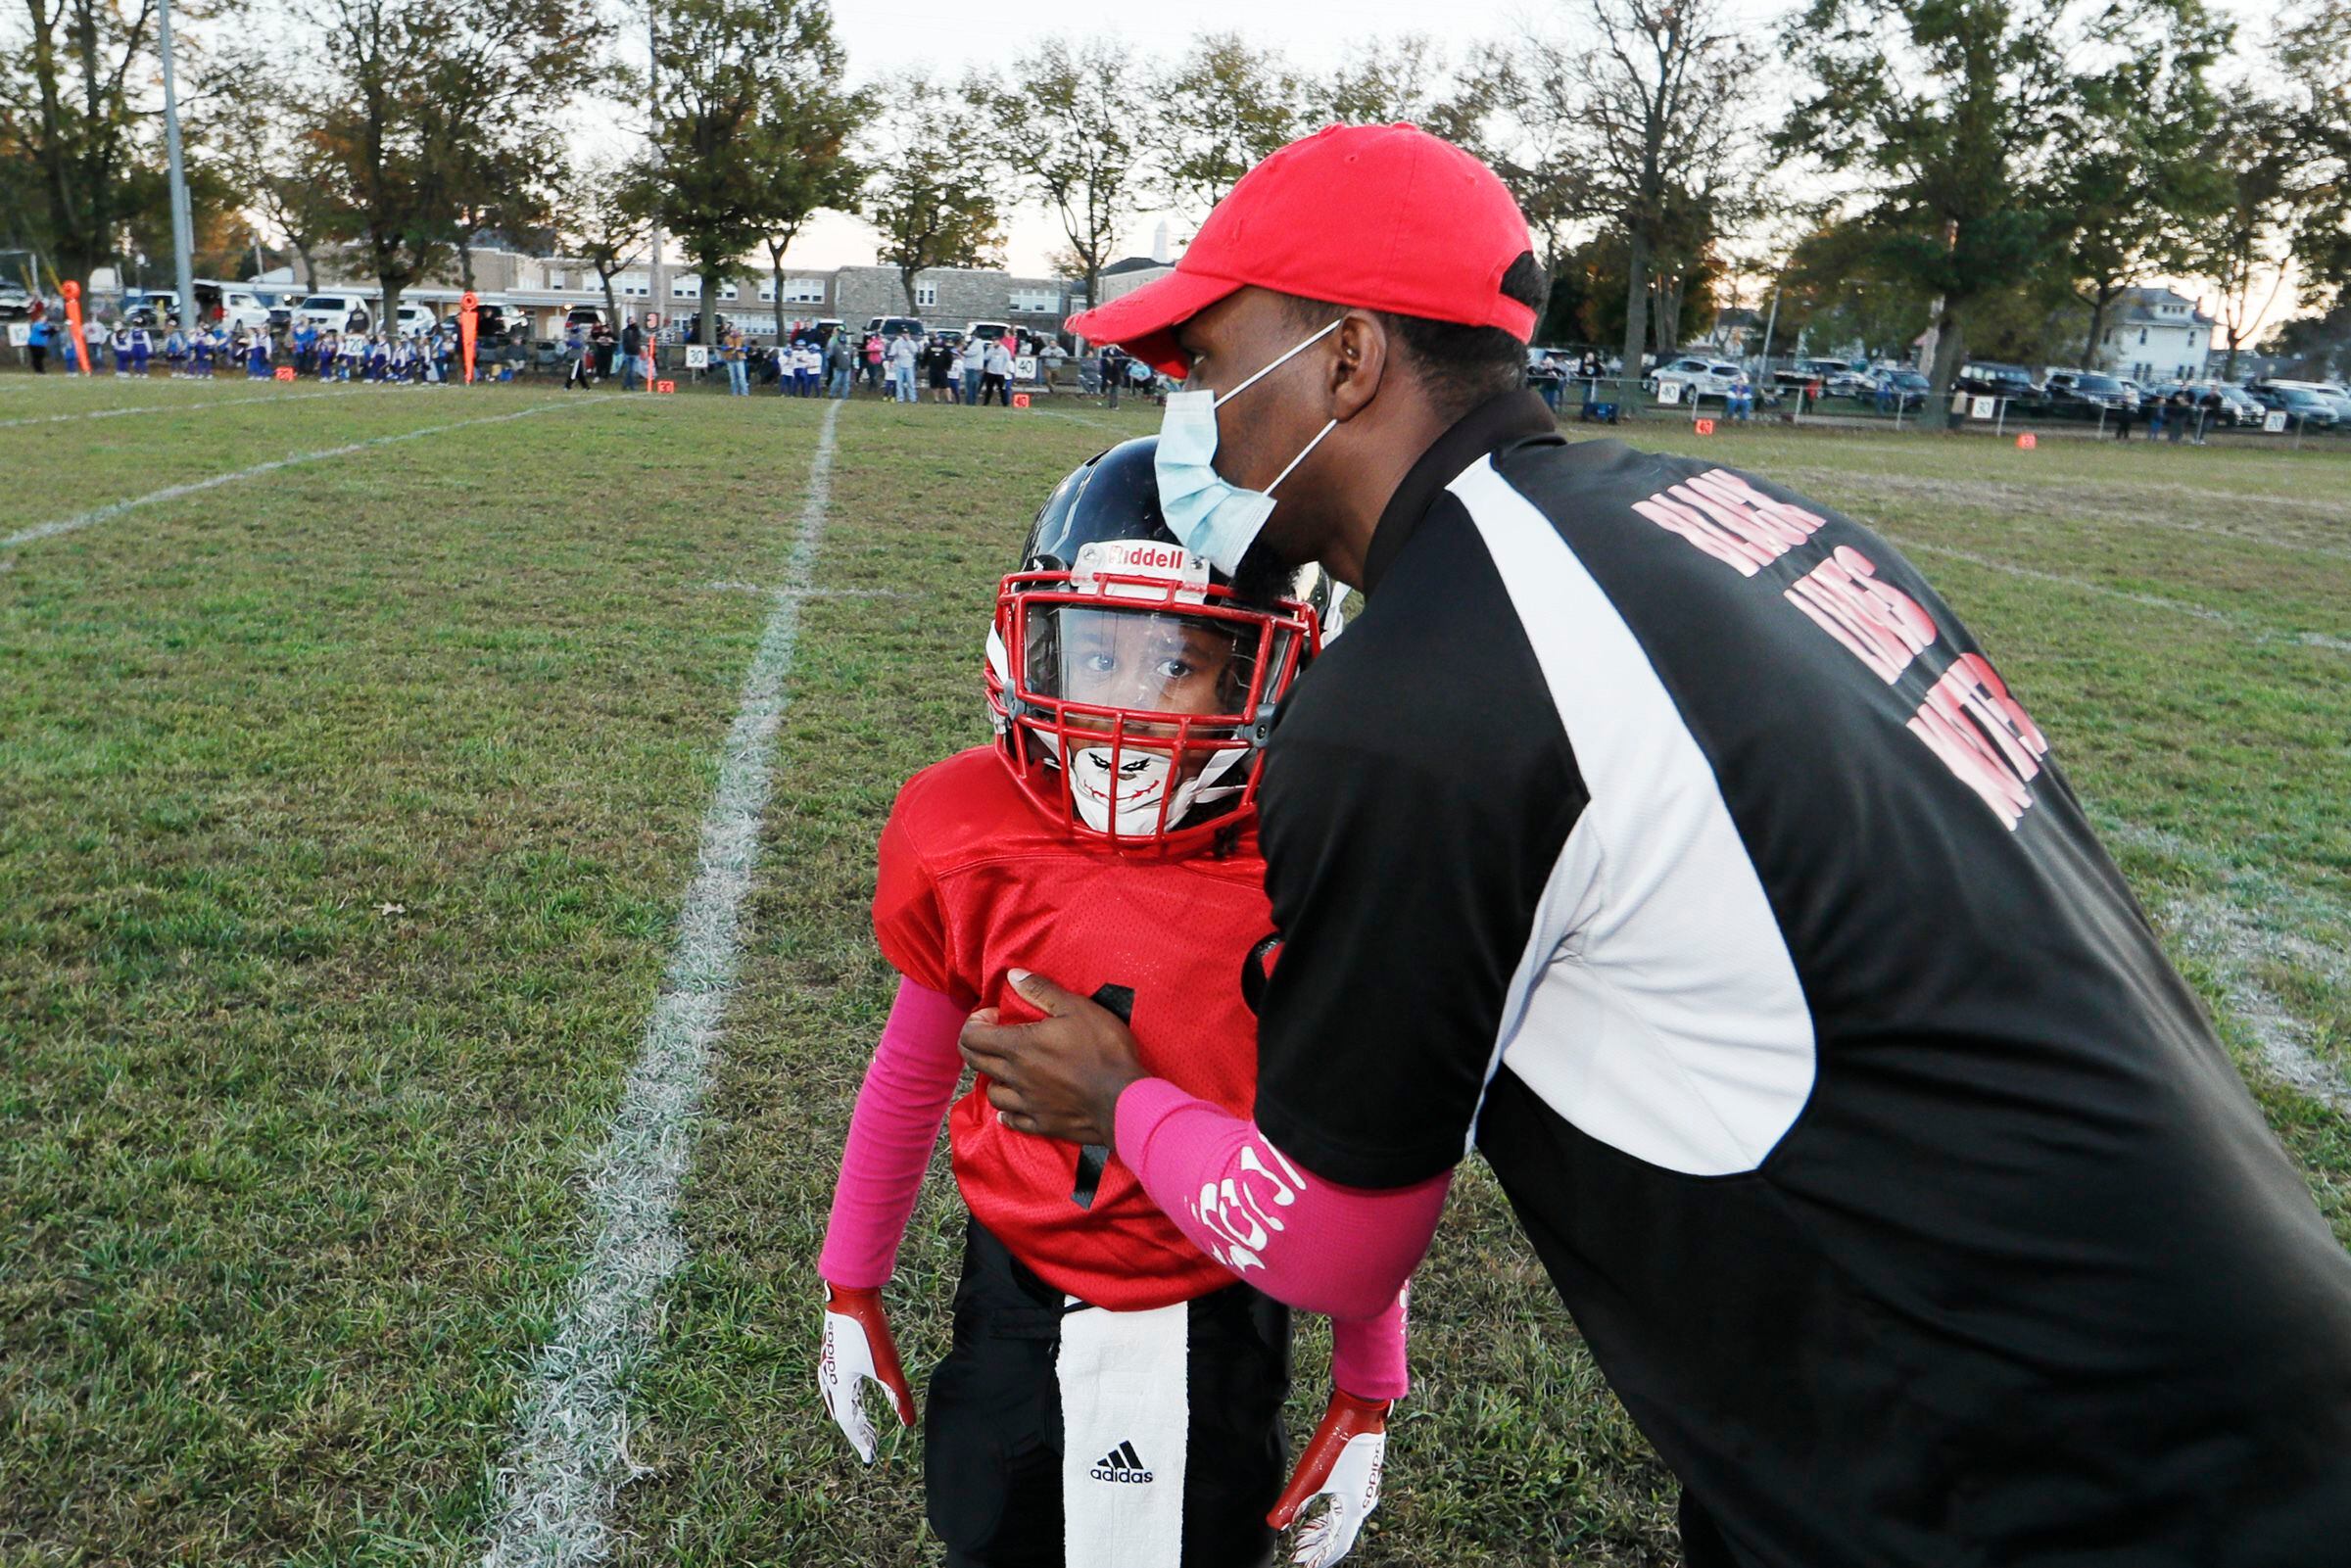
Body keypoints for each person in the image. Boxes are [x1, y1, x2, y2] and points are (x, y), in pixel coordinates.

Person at [958, 121, 2351, 1568]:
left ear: (1347, 361)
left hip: (2032, 1467)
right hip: (2222, 1355)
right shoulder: (1724, 514)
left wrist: (1121, 1099)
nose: (1194, 407)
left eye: (1206, 356)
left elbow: (1335, 1241)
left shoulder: (1423, 693)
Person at [818, 439, 1399, 1568]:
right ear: (1035, 641)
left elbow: (1362, 1129)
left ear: (1257, 675)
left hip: (1222, 1282)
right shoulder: (965, 823)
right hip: (1014, 1269)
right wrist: (852, 1276)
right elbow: (910, 1068)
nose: (1126, 699)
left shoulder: (1307, 848)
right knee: (990, 1527)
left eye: (1175, 662)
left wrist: (1369, 1382)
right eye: (1098, 651)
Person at [982, 334, 1014, 406]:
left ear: (999, 341)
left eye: (996, 341)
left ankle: (1005, 403)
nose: (994, 342)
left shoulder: (1004, 350)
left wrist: (1005, 370)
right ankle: (986, 403)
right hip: (991, 372)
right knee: (989, 389)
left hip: (1000, 373)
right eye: (993, 341)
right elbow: (986, 357)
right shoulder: (991, 349)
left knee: (1002, 389)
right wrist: (990, 349)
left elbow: (1008, 360)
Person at [889, 328, 919, 403]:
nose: (905, 334)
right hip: (899, 364)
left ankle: (913, 399)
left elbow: (915, 350)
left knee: (911, 382)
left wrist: (908, 341)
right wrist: (892, 357)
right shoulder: (897, 342)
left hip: (909, 365)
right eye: (904, 333)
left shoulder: (911, 342)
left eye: (907, 333)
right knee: (899, 383)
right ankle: (900, 399)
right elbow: (892, 352)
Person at [620, 315, 645, 392]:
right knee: (629, 370)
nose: (632, 322)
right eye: (631, 321)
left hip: (635, 353)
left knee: (633, 370)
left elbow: (642, 335)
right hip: (627, 353)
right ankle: (628, 385)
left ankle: (629, 385)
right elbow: (624, 341)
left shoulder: (638, 330)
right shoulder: (625, 331)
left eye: (633, 321)